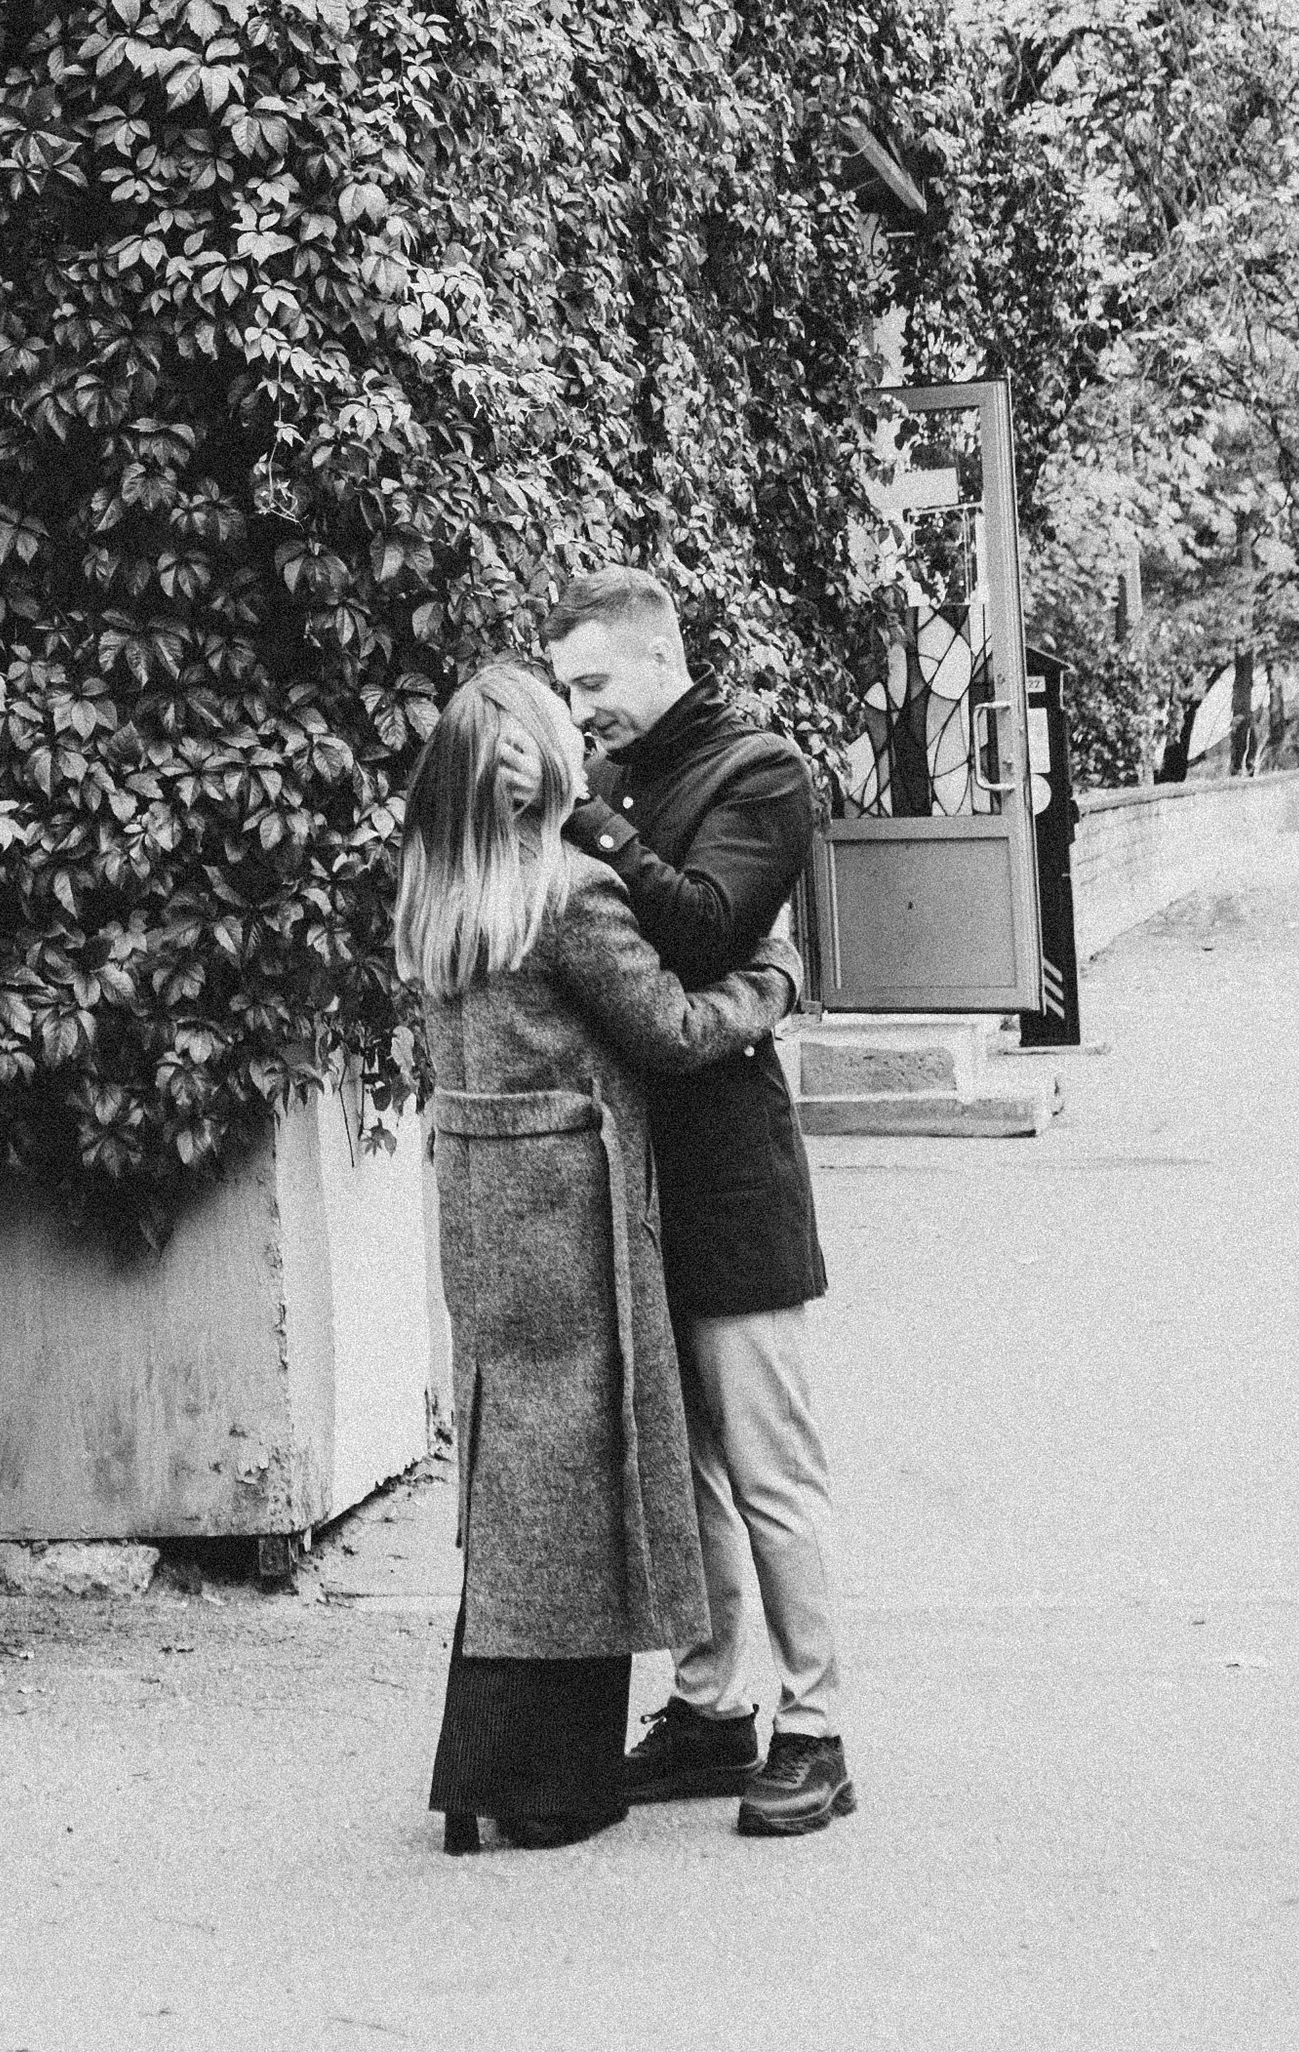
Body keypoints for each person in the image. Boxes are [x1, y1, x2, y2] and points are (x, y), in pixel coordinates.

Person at [398, 657, 804, 1857]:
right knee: (574, 1485)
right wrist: (768, 984)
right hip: (575, 1207)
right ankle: (540, 1784)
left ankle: (485, 1766)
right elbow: (673, 1033)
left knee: (515, 1481)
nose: (578, 725)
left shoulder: (436, 893)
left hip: (484, 1204)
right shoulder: (568, 894)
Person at [548, 564, 855, 1840]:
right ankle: (714, 1711)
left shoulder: (759, 771)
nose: (579, 713)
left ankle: (818, 1729)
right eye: (563, 693)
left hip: (729, 1171)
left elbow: (706, 933)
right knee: (688, 1472)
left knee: (769, 1467)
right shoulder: (614, 775)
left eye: (592, 684)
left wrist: (589, 827)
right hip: (633, 1169)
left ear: (657, 654)